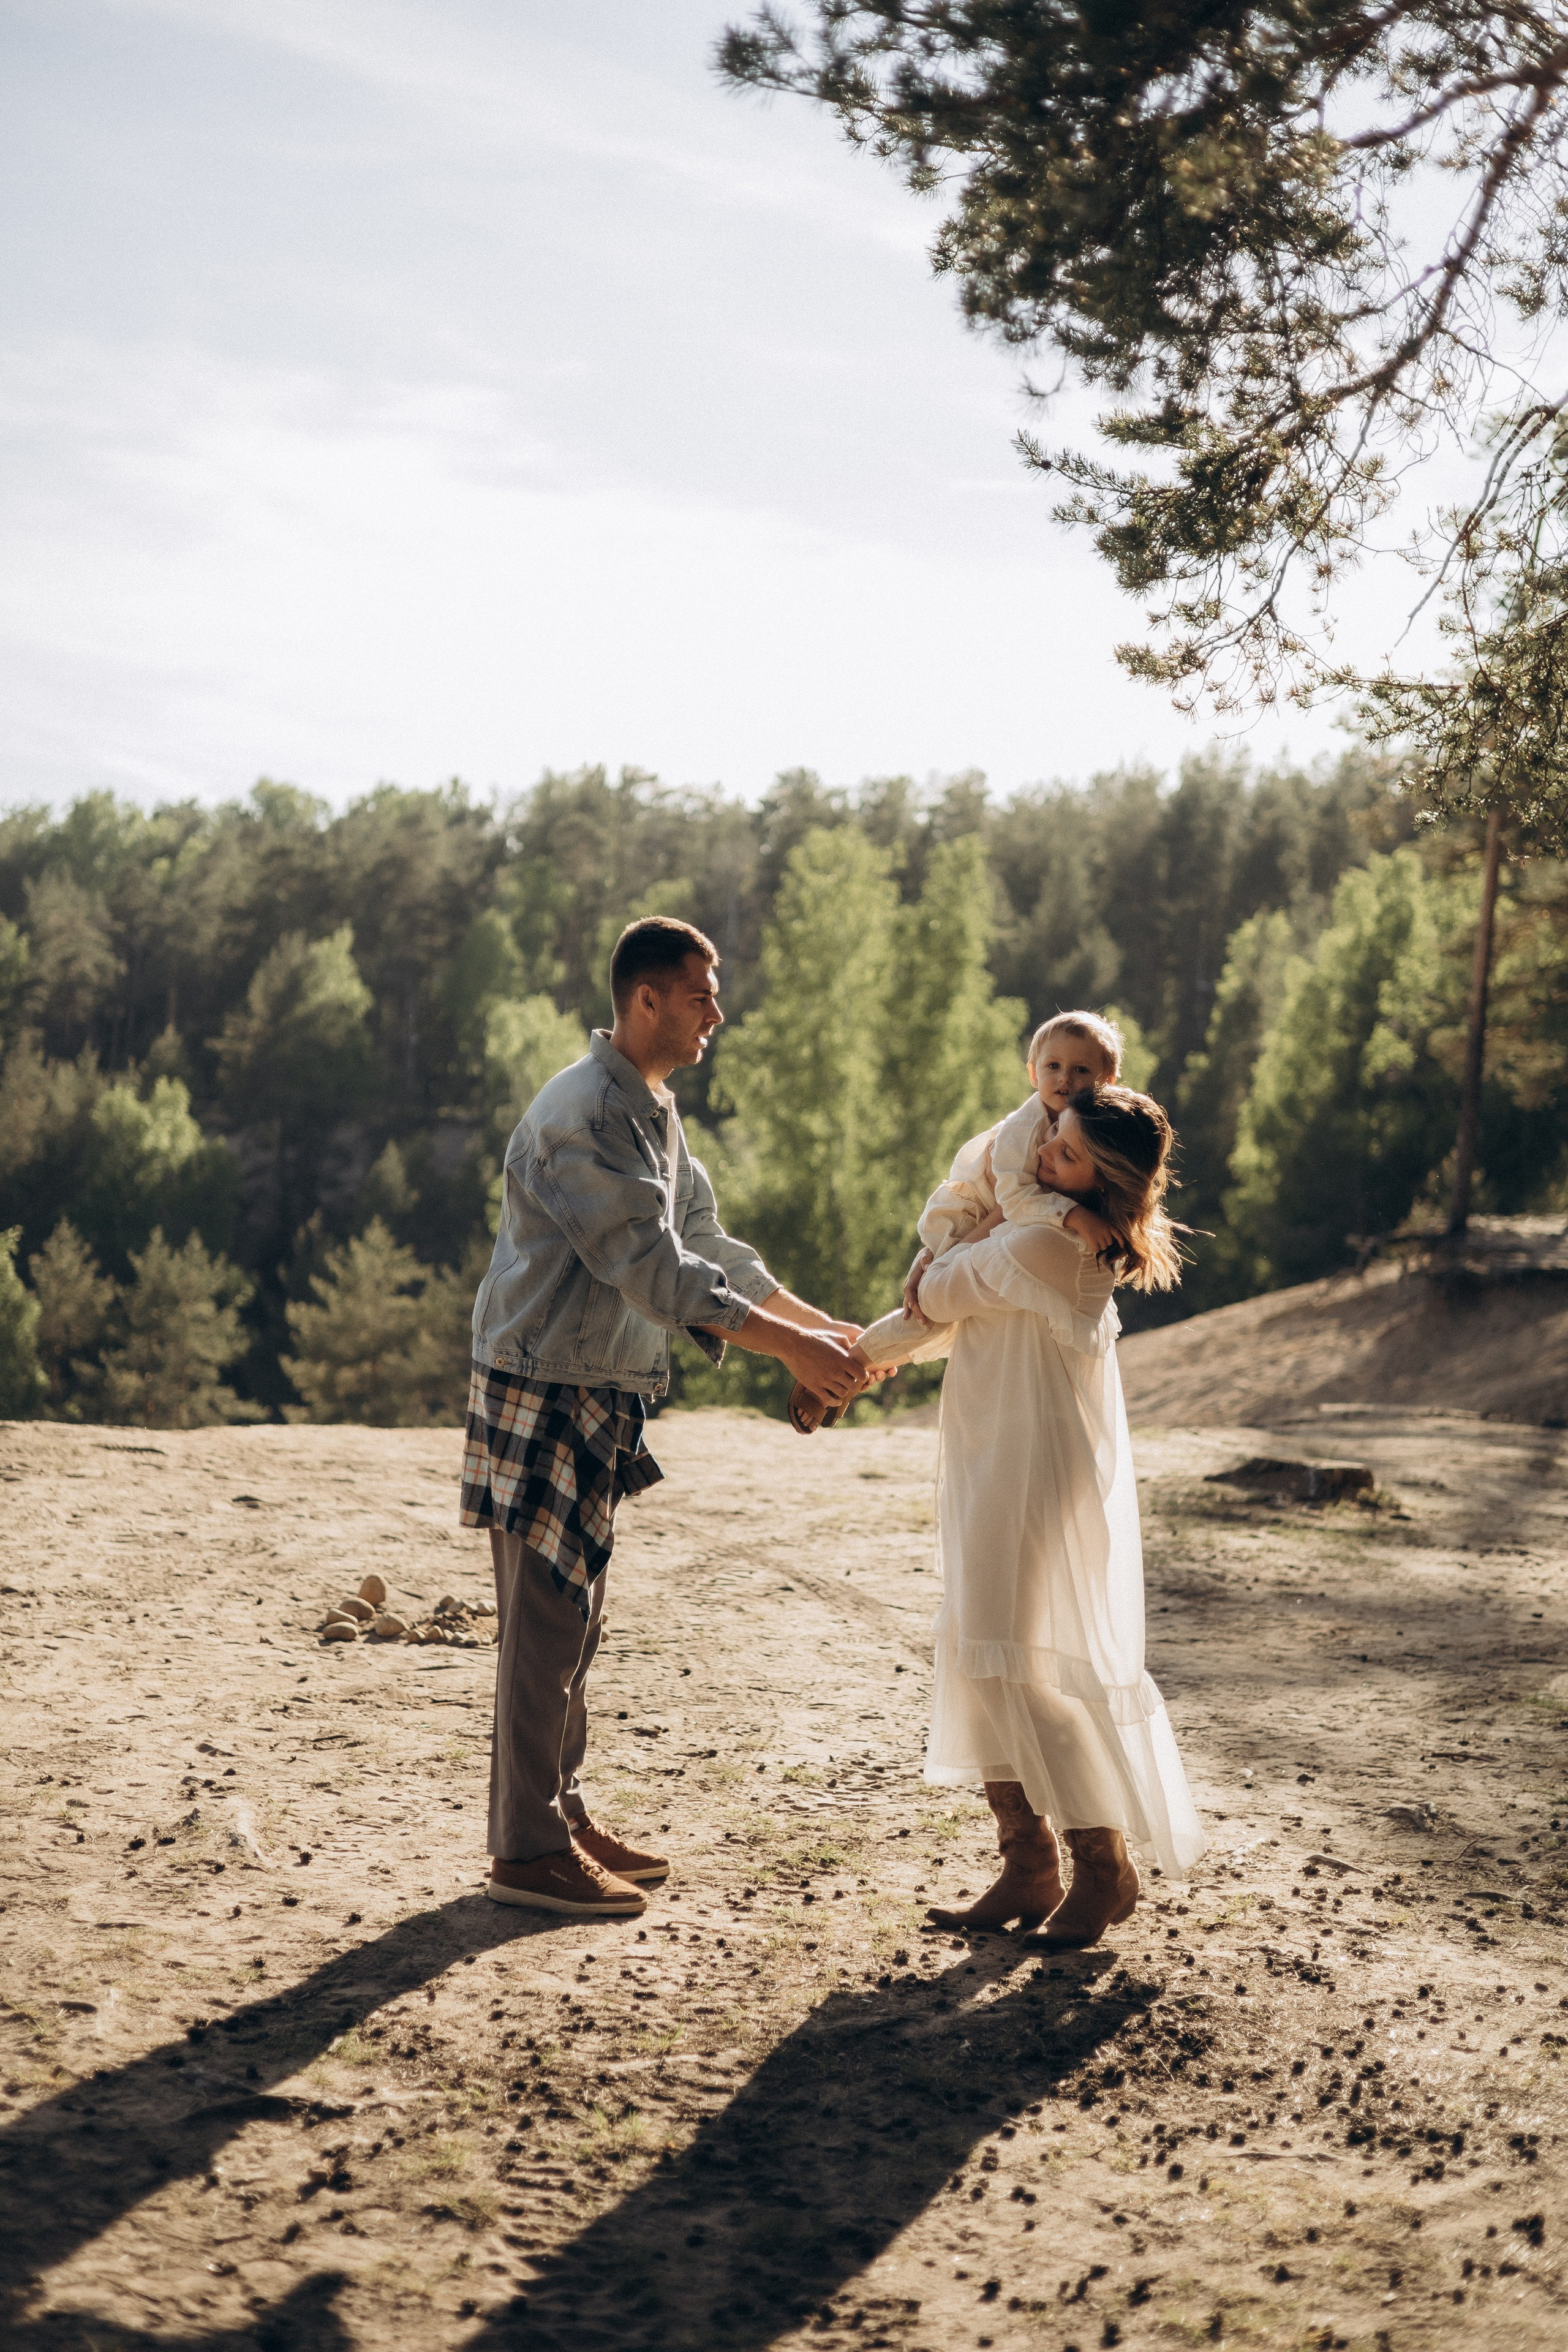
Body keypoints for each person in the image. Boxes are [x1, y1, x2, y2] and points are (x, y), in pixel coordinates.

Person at [461, 916, 867, 1920]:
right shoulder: (586, 1113)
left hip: (594, 1385)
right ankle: (525, 1851)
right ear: (646, 1001)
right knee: (545, 1625)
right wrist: (795, 1351)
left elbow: (705, 1243)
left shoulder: (652, 1104)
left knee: (577, 1620)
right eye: (701, 997)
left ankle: (559, 1812)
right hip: (545, 1382)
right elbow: (652, 1271)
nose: (716, 1014)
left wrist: (829, 1334)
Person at [913, 1086, 1207, 1946]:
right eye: (1050, 1141)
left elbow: (935, 1290)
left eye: (1067, 1155)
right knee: (979, 1656)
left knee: (1019, 1665)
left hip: (1033, 1470)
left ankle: (1104, 1866)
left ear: (1104, 1179)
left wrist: (977, 1228)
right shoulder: (1048, 1226)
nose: (1045, 1159)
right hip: (992, 1456)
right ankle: (1027, 1861)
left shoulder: (1047, 1242)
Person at [786, 1010, 1123, 1431]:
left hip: (1005, 1227)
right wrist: (1074, 1216)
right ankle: (848, 1365)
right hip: (970, 1218)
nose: (1064, 1080)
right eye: (1052, 1067)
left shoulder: (1095, 1127)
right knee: (927, 1316)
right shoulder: (1025, 1128)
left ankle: (865, 1366)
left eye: (1081, 1070)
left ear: (1108, 1081)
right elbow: (1015, 1199)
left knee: (948, 1325)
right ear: (1033, 1075)